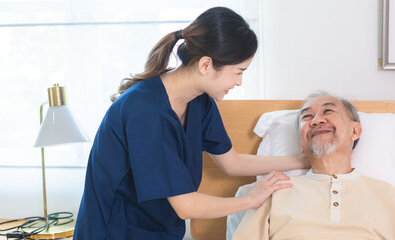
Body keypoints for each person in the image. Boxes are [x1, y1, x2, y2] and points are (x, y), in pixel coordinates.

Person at [73, 7, 308, 240]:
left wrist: (301, 160)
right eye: (238, 72)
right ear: (206, 65)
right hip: (113, 231)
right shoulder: (146, 111)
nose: (239, 82)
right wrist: (249, 200)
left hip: (158, 230)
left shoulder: (200, 101)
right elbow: (186, 206)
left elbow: (232, 162)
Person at [232, 92, 395, 240]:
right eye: (307, 117)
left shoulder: (386, 194)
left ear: (355, 130)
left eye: (328, 111)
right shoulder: (273, 192)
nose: (317, 120)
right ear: (302, 141)